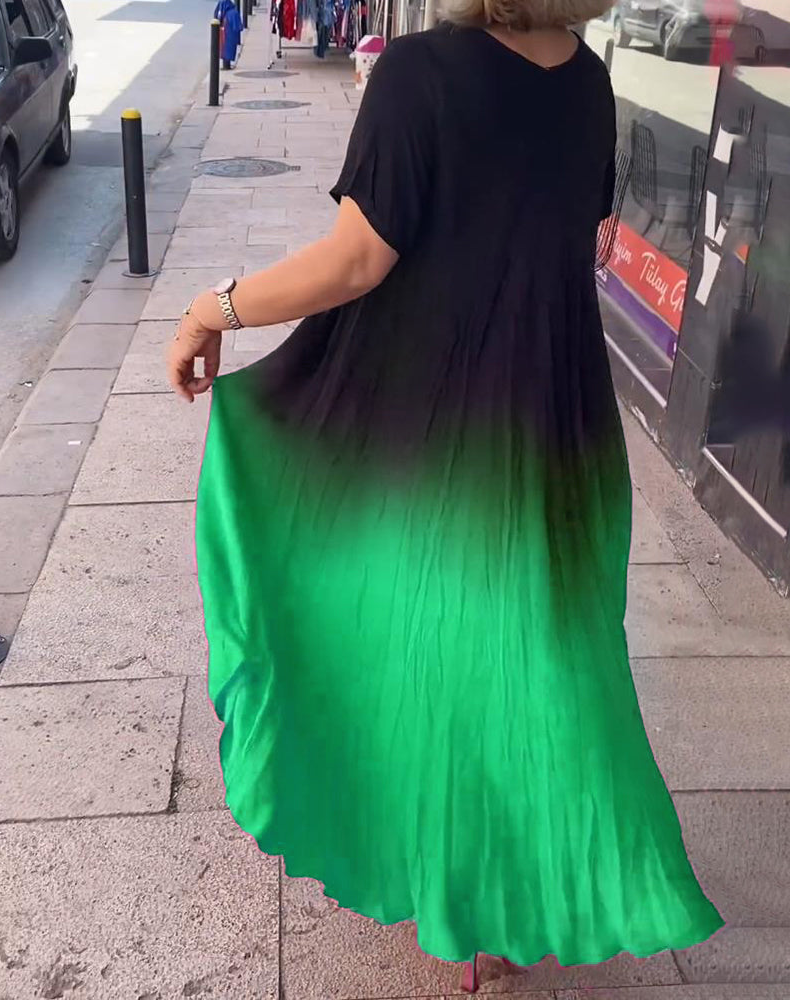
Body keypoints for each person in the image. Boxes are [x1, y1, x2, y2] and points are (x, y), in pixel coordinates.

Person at [167, 2, 724, 992]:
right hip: (559, 427)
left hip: (438, 422)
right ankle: (503, 903)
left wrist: (213, 307)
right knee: (534, 666)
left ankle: (465, 891)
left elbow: (355, 261)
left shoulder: (419, 75)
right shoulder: (589, 82)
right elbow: (575, 242)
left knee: (428, 655)